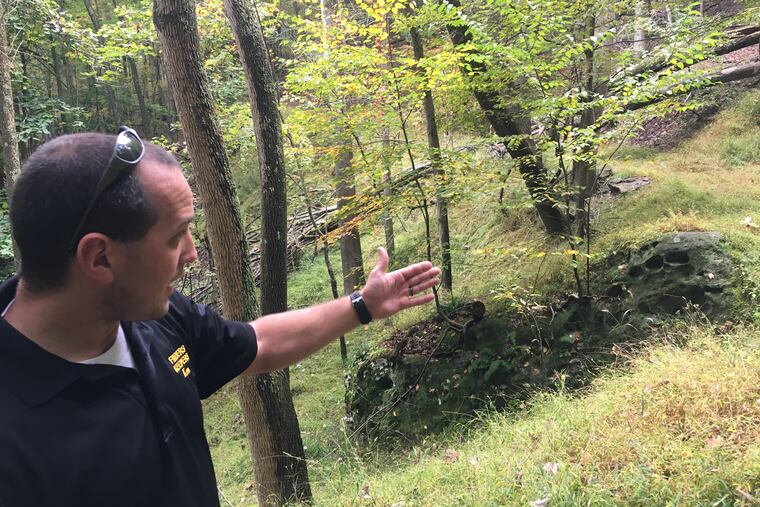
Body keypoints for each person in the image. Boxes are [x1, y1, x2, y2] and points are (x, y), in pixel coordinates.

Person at [0, 128, 440, 507]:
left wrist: (362, 305)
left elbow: (259, 343)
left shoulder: (152, 317)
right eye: (176, 236)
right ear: (99, 258)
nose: (192, 253)